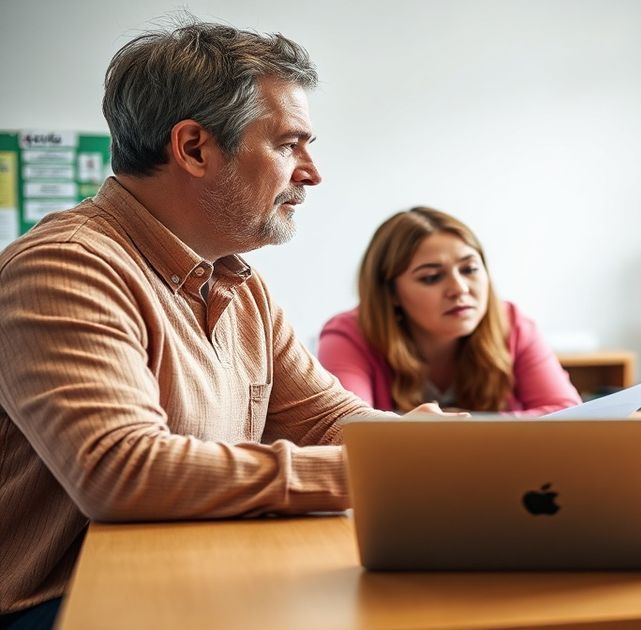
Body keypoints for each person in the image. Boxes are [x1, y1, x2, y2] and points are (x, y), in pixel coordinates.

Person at [0, 21, 450, 628]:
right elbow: (121, 472)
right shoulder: (65, 267)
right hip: (64, 604)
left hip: (185, 572)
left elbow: (327, 419)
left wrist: (434, 451)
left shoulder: (239, 285)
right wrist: (377, 469)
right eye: (290, 144)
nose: (312, 172)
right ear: (193, 148)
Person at [318, 207, 581, 415]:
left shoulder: (513, 324)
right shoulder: (350, 335)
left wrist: (459, 428)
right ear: (391, 293)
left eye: (470, 269)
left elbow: (568, 414)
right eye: (431, 277)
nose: (459, 288)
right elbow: (350, 431)